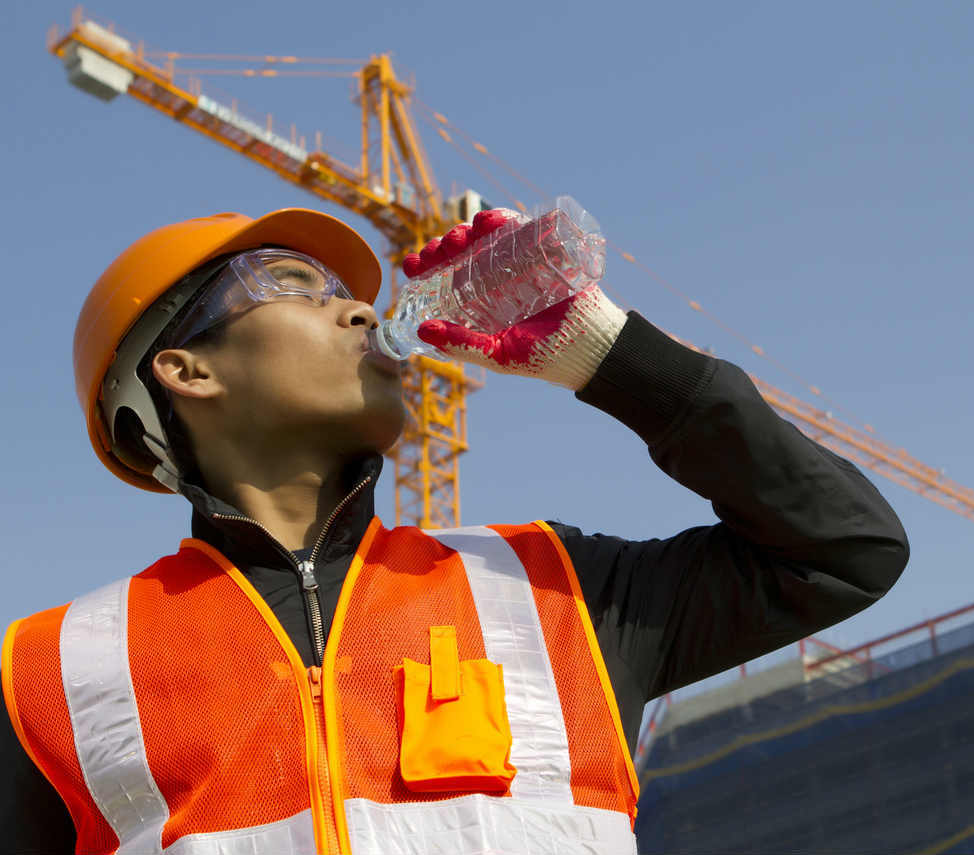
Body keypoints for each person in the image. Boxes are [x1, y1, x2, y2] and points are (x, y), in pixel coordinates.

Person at [1, 206, 910, 854]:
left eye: (350, 293)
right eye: (295, 286)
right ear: (185, 370)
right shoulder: (50, 671)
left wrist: (610, 357)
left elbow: (840, 548)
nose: (361, 309)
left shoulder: (554, 588)